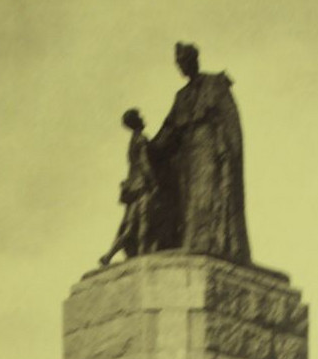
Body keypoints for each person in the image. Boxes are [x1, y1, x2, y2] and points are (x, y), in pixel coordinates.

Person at [150, 42, 251, 265]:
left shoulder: (215, 84)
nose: (182, 67)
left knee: (207, 195)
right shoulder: (181, 96)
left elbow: (230, 121)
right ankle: (191, 243)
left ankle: (212, 243)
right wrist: (151, 147)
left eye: (184, 61)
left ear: (194, 60)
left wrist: (229, 154)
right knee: (188, 200)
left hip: (209, 147)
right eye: (179, 64)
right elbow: (169, 129)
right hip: (186, 154)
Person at [99, 108, 161, 266]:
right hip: (142, 185)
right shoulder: (141, 139)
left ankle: (109, 255)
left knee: (128, 225)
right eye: (140, 116)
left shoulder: (133, 140)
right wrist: (153, 182)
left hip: (131, 186)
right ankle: (141, 252)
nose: (143, 117)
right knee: (144, 219)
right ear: (137, 121)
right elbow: (144, 163)